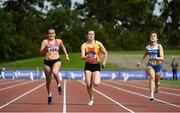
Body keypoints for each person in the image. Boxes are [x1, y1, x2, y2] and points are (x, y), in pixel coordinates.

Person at [40, 28, 69, 105]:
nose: (51, 34)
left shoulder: (59, 41)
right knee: (48, 81)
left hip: (56, 60)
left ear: (55, 34)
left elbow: (63, 47)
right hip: (47, 62)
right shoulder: (45, 42)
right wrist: (45, 49)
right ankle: (49, 95)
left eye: (52, 33)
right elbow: (40, 53)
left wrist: (66, 55)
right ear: (47, 34)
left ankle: (59, 85)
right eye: (49, 33)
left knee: (55, 72)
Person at [81, 30, 108, 105]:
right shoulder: (84, 45)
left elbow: (106, 53)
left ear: (94, 35)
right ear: (87, 35)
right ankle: (92, 98)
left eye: (92, 34)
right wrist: (86, 56)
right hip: (88, 65)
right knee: (88, 84)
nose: (91, 35)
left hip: (96, 65)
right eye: (89, 34)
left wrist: (104, 62)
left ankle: (96, 76)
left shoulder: (98, 44)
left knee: (96, 83)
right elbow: (82, 57)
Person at [136, 31, 164, 101]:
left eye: (154, 36)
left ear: (157, 39)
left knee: (157, 82)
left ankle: (157, 86)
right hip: (150, 65)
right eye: (151, 36)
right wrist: (140, 62)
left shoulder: (159, 46)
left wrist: (155, 58)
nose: (152, 37)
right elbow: (144, 55)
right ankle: (151, 94)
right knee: (152, 77)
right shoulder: (148, 47)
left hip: (158, 65)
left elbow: (162, 58)